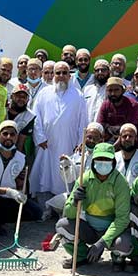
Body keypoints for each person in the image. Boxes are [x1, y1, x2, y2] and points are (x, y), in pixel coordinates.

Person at [56, 143, 133, 271]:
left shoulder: (121, 183)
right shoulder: (84, 179)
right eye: (99, 159)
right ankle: (82, 256)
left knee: (123, 244)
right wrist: (75, 202)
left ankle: (117, 259)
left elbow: (122, 219)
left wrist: (101, 243)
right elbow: (68, 214)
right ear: (93, 161)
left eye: (107, 160)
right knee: (62, 226)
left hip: (112, 228)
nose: (103, 163)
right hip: (89, 227)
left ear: (113, 162)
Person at [30, 61, 88, 200]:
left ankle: (64, 207)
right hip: (47, 145)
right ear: (53, 75)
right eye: (58, 73)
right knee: (46, 176)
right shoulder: (44, 93)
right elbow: (35, 117)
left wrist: (81, 142)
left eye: (64, 73)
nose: (61, 76)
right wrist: (40, 138)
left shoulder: (78, 95)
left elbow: (83, 121)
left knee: (66, 176)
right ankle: (45, 207)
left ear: (70, 76)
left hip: (69, 144)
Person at [0, 120, 38, 229]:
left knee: (36, 212)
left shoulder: (21, 158)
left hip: (8, 198)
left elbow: (20, 184)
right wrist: (9, 191)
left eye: (12, 134)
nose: (8, 137)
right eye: (5, 134)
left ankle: (1, 220)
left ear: (17, 137)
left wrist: (20, 192)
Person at [97, 77, 138, 150]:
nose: (113, 93)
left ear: (123, 91)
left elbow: (128, 130)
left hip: (135, 146)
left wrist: (112, 148)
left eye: (116, 90)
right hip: (112, 144)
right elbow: (100, 126)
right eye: (110, 90)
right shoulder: (105, 105)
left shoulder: (132, 105)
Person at [6, 83, 42, 157]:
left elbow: (21, 142)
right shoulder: (3, 108)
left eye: (24, 97)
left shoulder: (29, 116)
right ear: (12, 96)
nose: (21, 99)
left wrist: (17, 158)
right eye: (18, 96)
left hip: (14, 147)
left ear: (28, 99)